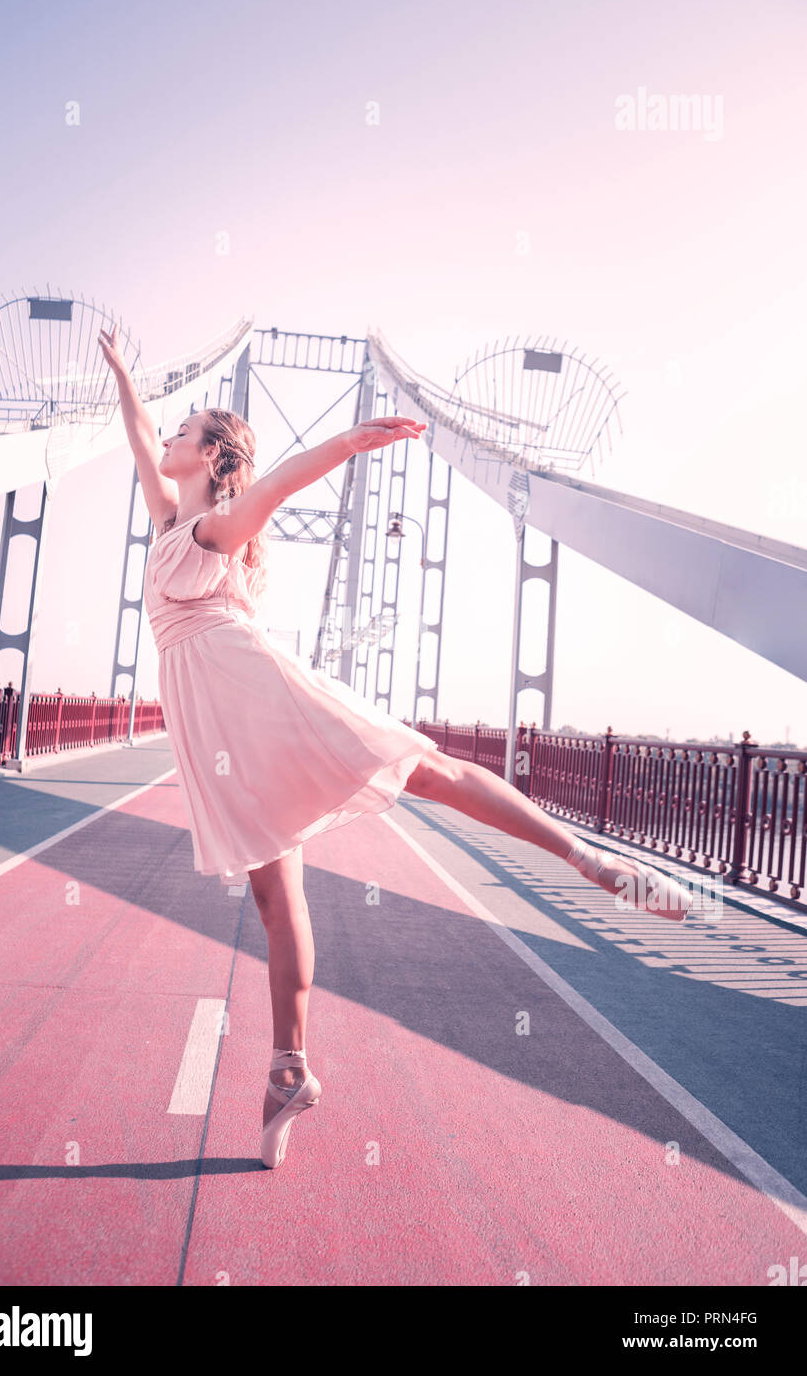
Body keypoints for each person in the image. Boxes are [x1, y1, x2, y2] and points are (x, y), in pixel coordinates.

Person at [98, 324, 692, 1169]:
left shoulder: (214, 529)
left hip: (261, 700)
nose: (169, 435)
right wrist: (125, 369)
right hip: (219, 729)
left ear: (214, 455)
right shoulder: (168, 519)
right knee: (275, 902)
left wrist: (345, 442)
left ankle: (587, 859)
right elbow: (135, 435)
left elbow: (271, 492)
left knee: (421, 768)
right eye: (174, 428)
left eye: (185, 428)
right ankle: (288, 1070)